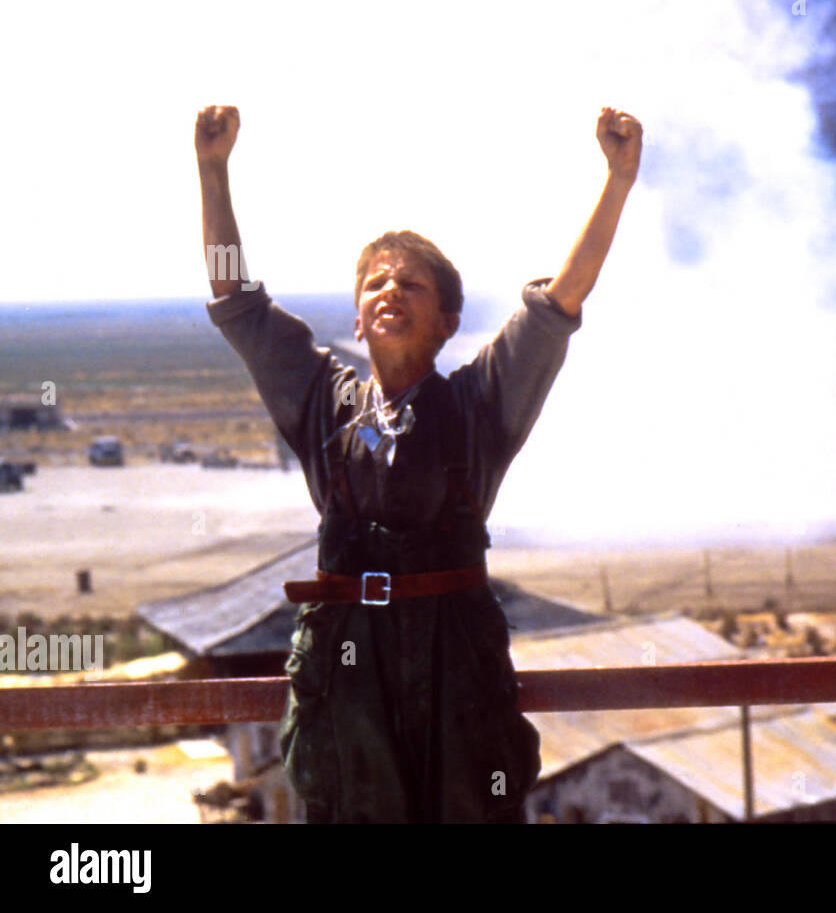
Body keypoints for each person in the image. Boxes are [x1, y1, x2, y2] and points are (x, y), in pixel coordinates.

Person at [194, 103, 642, 821]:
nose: (390, 292)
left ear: (446, 323)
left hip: (457, 669)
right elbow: (238, 305)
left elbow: (561, 301)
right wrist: (213, 172)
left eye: (412, 285)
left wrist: (617, 181)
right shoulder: (322, 402)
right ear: (358, 316)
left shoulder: (480, 406)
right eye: (375, 284)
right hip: (349, 678)